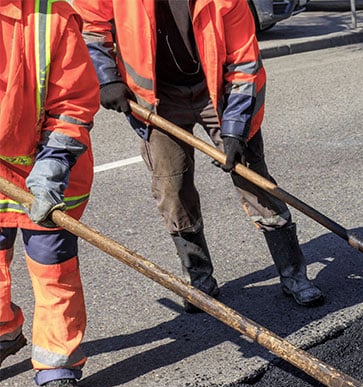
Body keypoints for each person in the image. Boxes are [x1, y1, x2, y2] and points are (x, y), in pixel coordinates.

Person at [73, 0, 324, 312]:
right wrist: (107, 76)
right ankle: (200, 280)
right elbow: (91, 26)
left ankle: (294, 274)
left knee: (254, 181)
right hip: (158, 99)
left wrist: (234, 131)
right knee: (172, 189)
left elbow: (244, 63)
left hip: (216, 91)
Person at [0, 0, 100, 387]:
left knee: (52, 268)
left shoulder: (51, 18)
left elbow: (73, 102)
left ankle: (58, 363)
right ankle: (5, 333)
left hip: (48, 170)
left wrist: (53, 166)